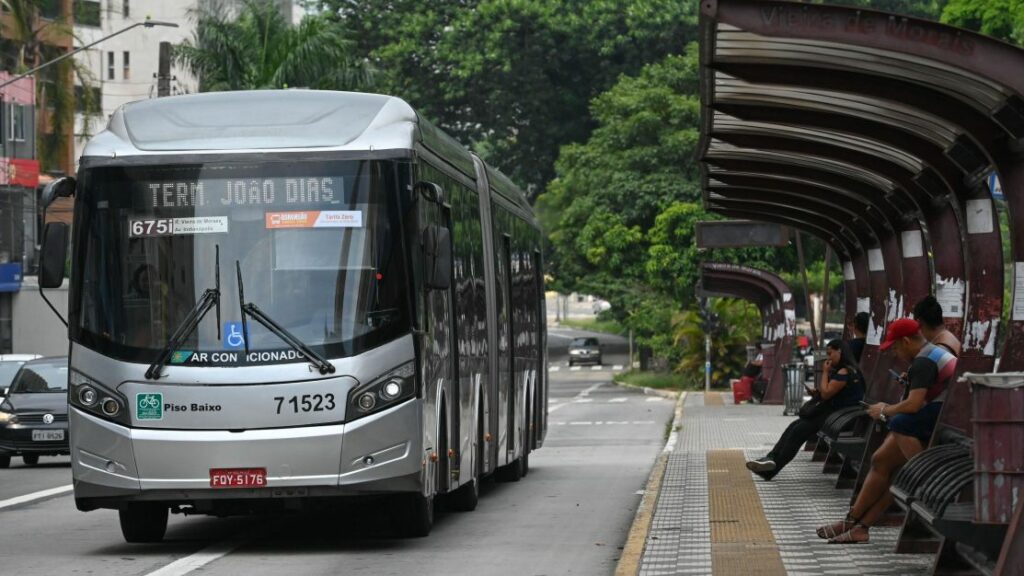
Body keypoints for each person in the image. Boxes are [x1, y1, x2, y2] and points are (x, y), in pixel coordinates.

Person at [816, 318, 957, 543]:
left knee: (898, 428)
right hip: (939, 415)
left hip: (944, 419)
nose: (896, 352)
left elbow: (912, 405)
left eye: (896, 347)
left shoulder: (922, 362)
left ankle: (922, 471)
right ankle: (855, 524)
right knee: (880, 460)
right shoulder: (930, 354)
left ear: (907, 341)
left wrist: (885, 409)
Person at [746, 339, 865, 480]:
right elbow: (830, 392)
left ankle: (772, 467)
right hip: (835, 415)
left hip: (837, 416)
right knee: (794, 426)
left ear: (840, 351)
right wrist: (817, 392)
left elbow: (826, 393)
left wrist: (825, 372)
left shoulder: (845, 371)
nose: (828, 357)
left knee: (798, 431)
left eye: (830, 353)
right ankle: (770, 459)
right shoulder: (847, 370)